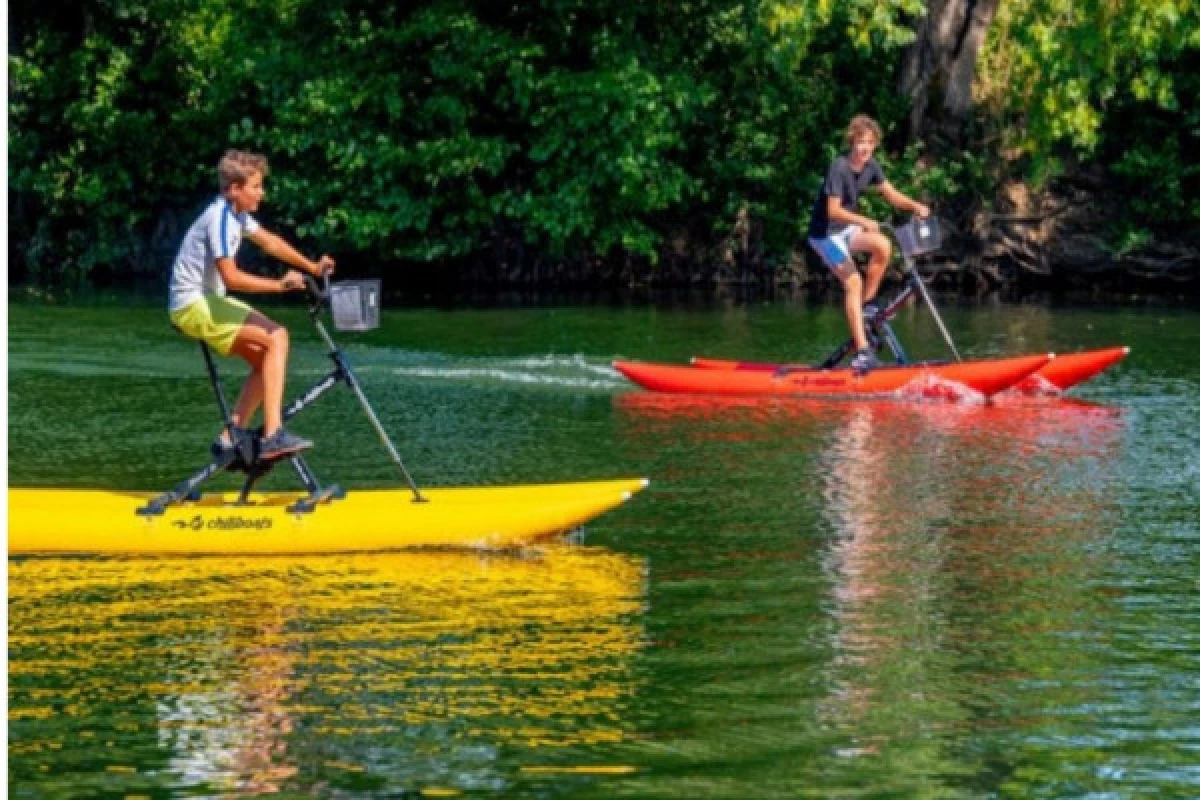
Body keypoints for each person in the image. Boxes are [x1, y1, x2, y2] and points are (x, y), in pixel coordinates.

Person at [168, 149, 335, 460]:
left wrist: (313, 268)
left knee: (265, 358)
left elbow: (270, 242)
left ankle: (230, 436)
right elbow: (231, 278)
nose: (262, 193)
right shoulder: (219, 218)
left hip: (207, 300)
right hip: (192, 303)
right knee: (278, 337)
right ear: (234, 189)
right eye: (256, 186)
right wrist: (279, 285)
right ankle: (273, 436)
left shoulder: (237, 216)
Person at [808, 115, 930, 371]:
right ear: (852, 141)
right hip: (825, 234)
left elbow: (892, 195)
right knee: (853, 281)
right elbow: (832, 211)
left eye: (870, 143)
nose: (865, 148)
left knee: (883, 245)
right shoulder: (839, 168)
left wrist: (916, 206)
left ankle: (867, 307)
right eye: (861, 142)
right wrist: (864, 220)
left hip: (845, 231)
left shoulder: (871, 166)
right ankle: (862, 351)